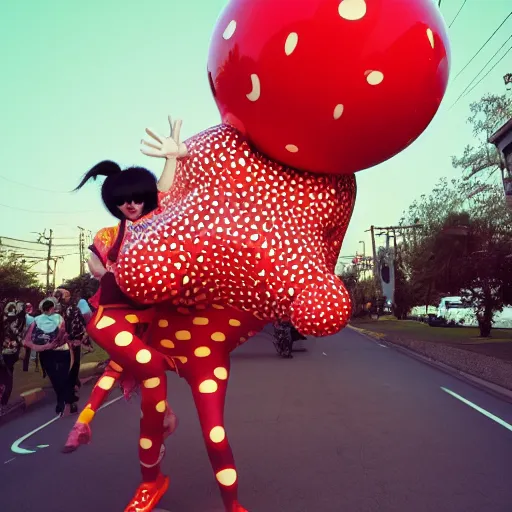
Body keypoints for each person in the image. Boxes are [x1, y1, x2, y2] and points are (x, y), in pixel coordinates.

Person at [63, 116, 187, 512]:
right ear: (114, 202)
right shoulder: (109, 236)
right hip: (114, 317)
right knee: (128, 368)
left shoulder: (158, 222)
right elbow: (96, 267)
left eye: (137, 197)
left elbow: (165, 191)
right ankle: (152, 449)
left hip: (155, 318)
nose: (131, 205)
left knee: (137, 372)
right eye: (123, 200)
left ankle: (152, 469)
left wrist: (171, 158)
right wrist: (104, 268)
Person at [23, 298, 78, 416]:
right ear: (52, 308)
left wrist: (42, 347)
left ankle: (61, 402)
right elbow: (63, 333)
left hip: (46, 353)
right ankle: (68, 401)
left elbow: (27, 340)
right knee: (64, 377)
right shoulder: (59, 318)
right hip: (62, 351)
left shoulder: (36, 320)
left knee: (54, 378)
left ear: (42, 309)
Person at [0, 301, 28, 410]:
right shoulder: (19, 321)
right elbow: (20, 336)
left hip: (7, 352)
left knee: (5, 376)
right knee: (7, 376)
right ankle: (3, 402)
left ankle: (3, 402)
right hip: (10, 352)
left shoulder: (6, 321)